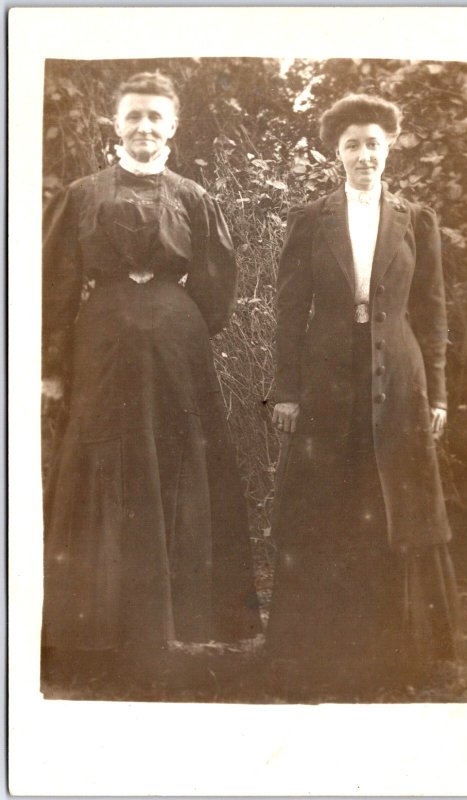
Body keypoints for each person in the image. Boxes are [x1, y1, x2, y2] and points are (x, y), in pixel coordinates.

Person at [41, 72, 261, 692]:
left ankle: (179, 629)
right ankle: (96, 635)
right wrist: (53, 368)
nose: (144, 128)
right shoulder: (83, 195)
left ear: (173, 127)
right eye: (133, 116)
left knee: (175, 462)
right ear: (116, 124)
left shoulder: (194, 197)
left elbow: (217, 287)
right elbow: (52, 284)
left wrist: (171, 320)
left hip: (174, 352)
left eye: (155, 118)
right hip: (102, 347)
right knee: (103, 463)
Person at [266, 94, 460, 699]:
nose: (364, 155)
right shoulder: (311, 219)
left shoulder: (415, 220)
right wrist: (287, 393)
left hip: (398, 382)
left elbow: (432, 314)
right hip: (326, 385)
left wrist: (440, 396)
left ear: (389, 147)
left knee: (396, 505)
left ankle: (401, 655)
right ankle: (322, 654)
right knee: (331, 505)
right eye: (352, 144)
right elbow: (289, 312)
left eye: (373, 143)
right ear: (337, 152)